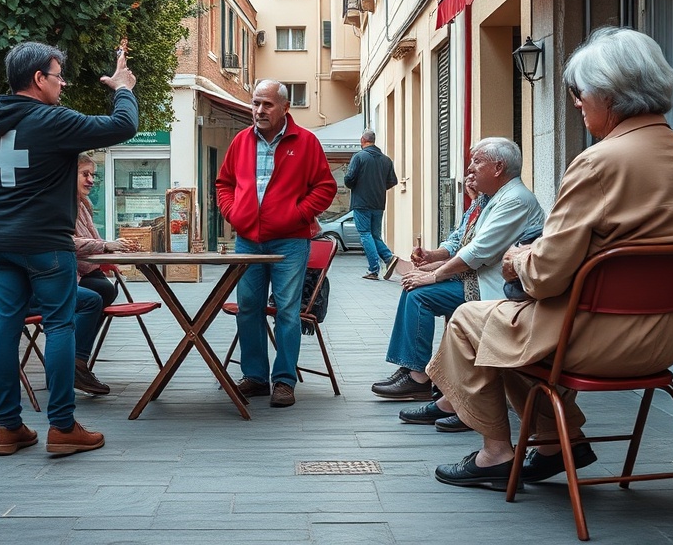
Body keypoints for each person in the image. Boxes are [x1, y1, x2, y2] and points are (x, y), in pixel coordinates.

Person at [411, 27, 673, 491]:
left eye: (580, 94)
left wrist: (518, 260)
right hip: (669, 342)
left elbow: (545, 277)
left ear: (610, 96)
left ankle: (497, 452)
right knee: (506, 327)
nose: (577, 104)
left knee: (468, 321)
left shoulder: (599, 162)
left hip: (595, 341)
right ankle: (560, 441)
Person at [0, 41, 137, 457]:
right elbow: (122, 126)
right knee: (60, 325)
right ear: (38, 79)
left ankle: (8, 428)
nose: (63, 83)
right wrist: (123, 87)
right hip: (45, 242)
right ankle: (62, 427)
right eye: (58, 75)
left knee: (7, 327)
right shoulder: (51, 119)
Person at [373, 138, 544, 407]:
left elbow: (477, 252)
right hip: (478, 277)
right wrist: (433, 258)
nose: (470, 169)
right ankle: (415, 371)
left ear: (498, 168)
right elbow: (459, 240)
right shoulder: (489, 199)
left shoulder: (515, 200)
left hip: (497, 287)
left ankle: (418, 377)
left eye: (477, 162)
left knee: (420, 294)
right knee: (414, 287)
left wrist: (434, 274)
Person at [216, 80, 337, 408]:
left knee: (286, 311)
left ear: (285, 108)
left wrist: (298, 214)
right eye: (255, 103)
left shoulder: (306, 142)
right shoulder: (241, 141)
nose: (258, 111)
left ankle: (284, 381)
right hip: (247, 240)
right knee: (248, 308)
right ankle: (255, 377)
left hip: (290, 242)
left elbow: (325, 187)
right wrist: (234, 213)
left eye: (267, 105)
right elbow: (224, 183)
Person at [71, 153, 141, 396]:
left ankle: (76, 360)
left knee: (104, 289)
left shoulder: (82, 204)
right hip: (62, 278)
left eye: (93, 175)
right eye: (85, 174)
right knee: (97, 294)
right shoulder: (64, 204)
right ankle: (75, 363)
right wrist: (106, 246)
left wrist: (108, 255)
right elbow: (66, 241)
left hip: (82, 271)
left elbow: (90, 239)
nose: (91, 180)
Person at [344, 129, 399, 280]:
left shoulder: (359, 157)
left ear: (362, 140)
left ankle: (374, 269)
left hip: (361, 203)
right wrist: (379, 188)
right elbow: (392, 181)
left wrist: (356, 186)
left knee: (365, 234)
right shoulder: (386, 160)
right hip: (379, 203)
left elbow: (349, 179)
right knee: (375, 234)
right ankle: (389, 258)